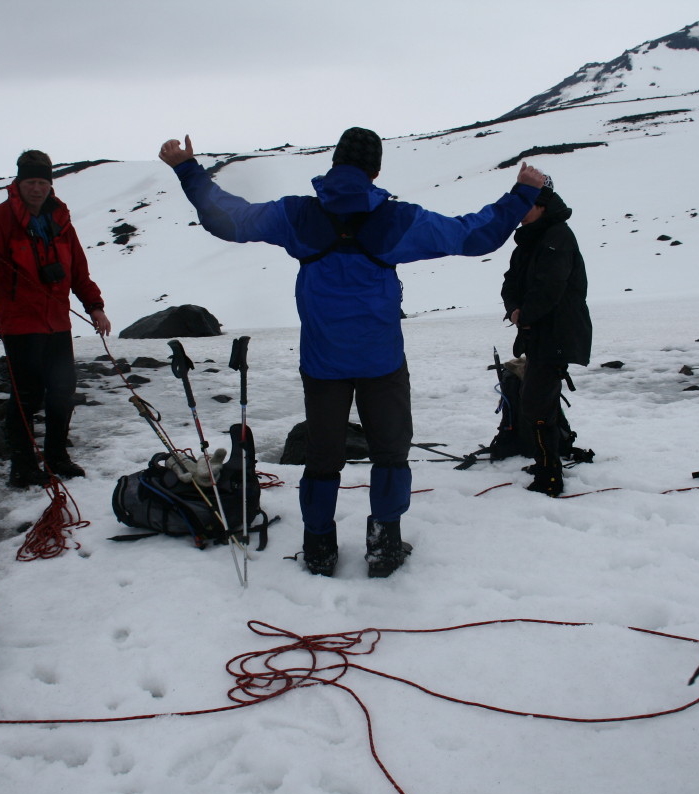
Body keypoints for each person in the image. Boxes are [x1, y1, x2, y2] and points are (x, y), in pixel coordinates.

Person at [159, 128, 546, 577]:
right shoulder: (397, 219)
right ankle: (384, 546)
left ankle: (319, 548)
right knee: (390, 455)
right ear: (375, 171)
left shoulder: (297, 214)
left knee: (322, 460)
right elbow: (472, 235)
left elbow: (230, 218)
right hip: (382, 362)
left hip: (322, 363)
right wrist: (523, 193)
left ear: (334, 164)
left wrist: (187, 169)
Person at [0, 149, 112, 488]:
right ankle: (22, 467)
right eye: (30, 182)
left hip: (57, 322)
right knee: (27, 395)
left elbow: (78, 271)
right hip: (19, 323)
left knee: (63, 390)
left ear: (50, 185)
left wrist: (95, 306)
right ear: (19, 183)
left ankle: (57, 457)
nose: (37, 189)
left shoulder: (61, 221)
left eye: (42, 183)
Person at [499, 179, 591, 496]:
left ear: (542, 206)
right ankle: (545, 464)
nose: (520, 213)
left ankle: (550, 476)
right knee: (536, 401)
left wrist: (525, 315)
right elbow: (510, 284)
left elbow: (550, 286)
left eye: (526, 206)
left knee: (537, 403)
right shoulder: (528, 242)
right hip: (538, 334)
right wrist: (514, 310)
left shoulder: (557, 236)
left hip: (558, 335)